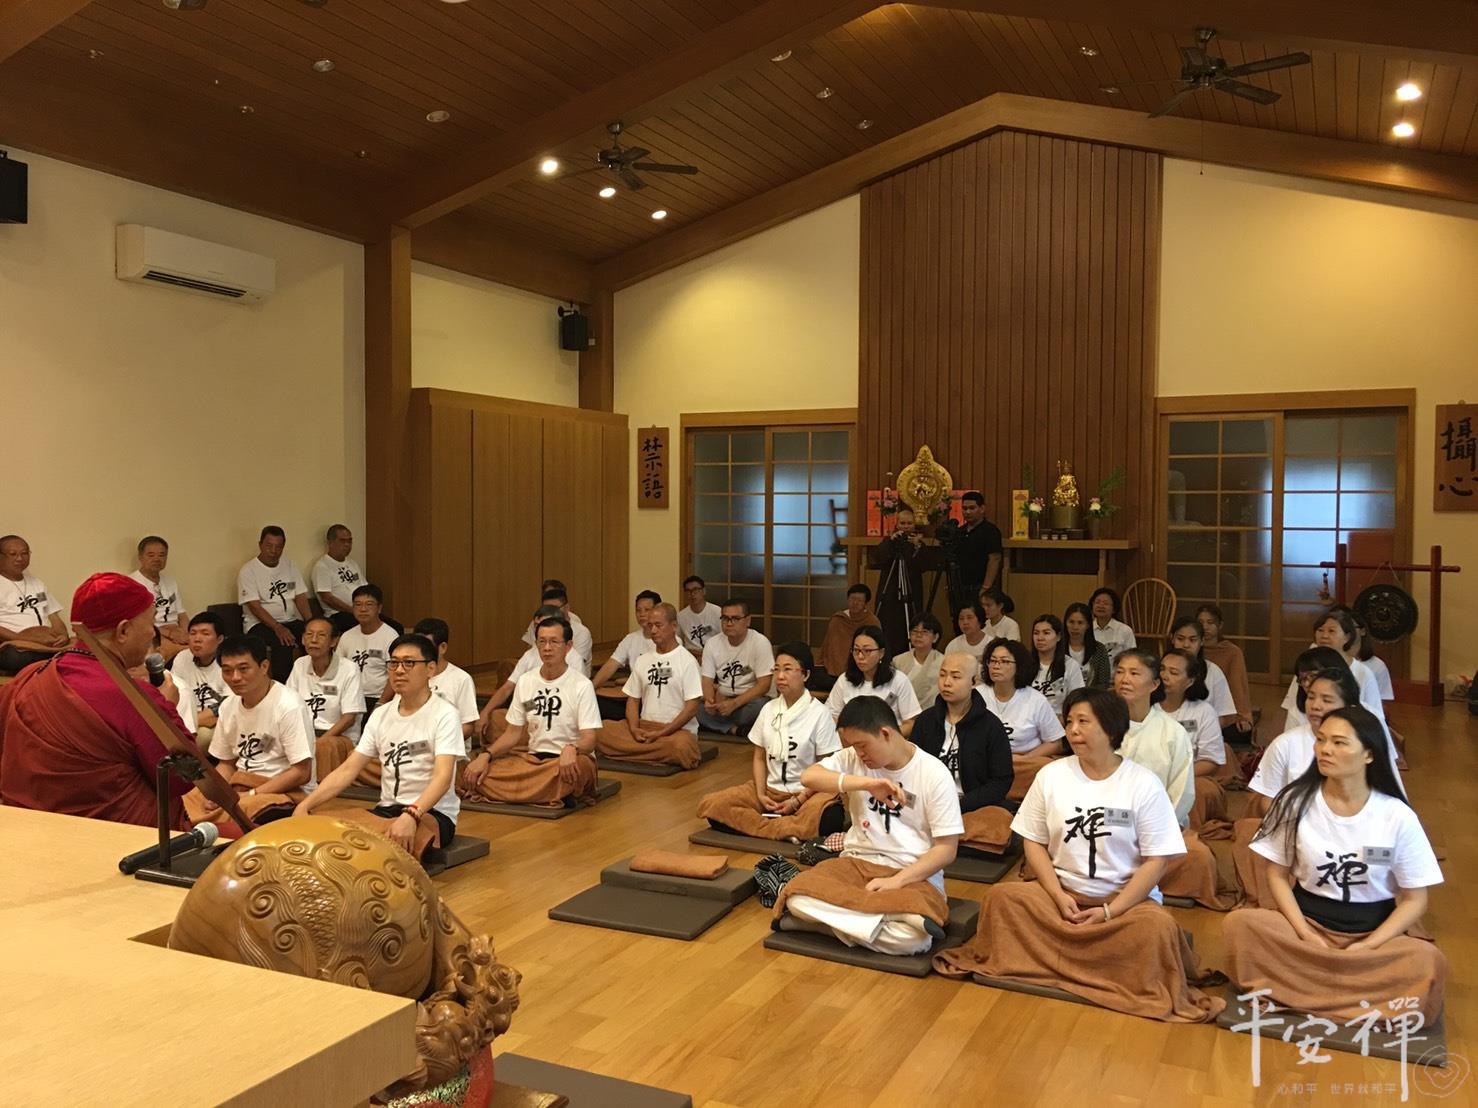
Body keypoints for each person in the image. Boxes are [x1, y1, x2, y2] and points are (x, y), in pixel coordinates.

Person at [934, 688, 1225, 1023]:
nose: (1072, 730)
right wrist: (1058, 896)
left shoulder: (1143, 784)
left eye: (1083, 722)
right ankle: (1094, 964)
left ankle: (1057, 959)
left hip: (1123, 904)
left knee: (1156, 928)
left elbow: (1157, 860)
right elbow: (1033, 842)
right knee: (1001, 900)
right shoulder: (1052, 775)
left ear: (1111, 729)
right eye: (1069, 721)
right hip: (1060, 897)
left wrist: (1110, 910)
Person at [1224, 706, 1446, 1024]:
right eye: (1321, 740)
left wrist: (1369, 946)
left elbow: (1415, 899)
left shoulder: (1397, 816)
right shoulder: (1294, 801)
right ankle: (1355, 1001)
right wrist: (1304, 932)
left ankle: (1301, 993)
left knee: (1426, 960)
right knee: (1240, 925)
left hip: (1372, 938)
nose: (1325, 749)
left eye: (1339, 742)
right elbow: (1276, 874)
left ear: (1369, 754)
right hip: (1305, 931)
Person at [771, 696, 963, 955]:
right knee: (796, 897)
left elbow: (947, 850)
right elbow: (809, 777)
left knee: (915, 940)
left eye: (862, 745)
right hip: (856, 862)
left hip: (911, 873)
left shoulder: (934, 773)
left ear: (885, 733)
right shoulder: (854, 759)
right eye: (853, 746)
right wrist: (867, 784)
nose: (859, 753)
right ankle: (891, 917)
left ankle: (822, 925)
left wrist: (897, 881)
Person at [0, 573, 193, 828]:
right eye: (151, 623)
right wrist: (165, 707)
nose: (152, 634)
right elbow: (182, 777)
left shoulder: (28, 677)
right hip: (113, 839)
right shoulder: (133, 697)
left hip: (27, 832)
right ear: (123, 631)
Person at [298, 633, 463, 860]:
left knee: (381, 841)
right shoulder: (381, 714)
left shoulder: (445, 714)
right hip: (387, 810)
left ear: (430, 669)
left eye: (409, 663)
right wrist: (305, 805)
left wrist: (412, 815)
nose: (399, 670)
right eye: (394, 663)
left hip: (430, 813)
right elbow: (348, 770)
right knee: (326, 826)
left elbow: (442, 778)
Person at [1236, 663, 1361, 908]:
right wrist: (1296, 824)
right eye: (1311, 697)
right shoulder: (1285, 743)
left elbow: (1385, 798)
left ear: (1349, 706)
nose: (1315, 705)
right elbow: (1266, 799)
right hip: (1293, 827)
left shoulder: (1365, 743)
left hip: (1351, 829)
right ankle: (1277, 906)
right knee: (1249, 834)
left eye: (1327, 700)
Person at [1116, 648, 1231, 909]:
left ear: (1154, 684)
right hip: (1107, 823)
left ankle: (1116, 878)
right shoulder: (1101, 723)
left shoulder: (1172, 732)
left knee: (1199, 858)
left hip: (1155, 828)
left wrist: (1150, 830)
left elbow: (1181, 793)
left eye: (1134, 673)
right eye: (1120, 672)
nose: (1124, 679)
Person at [697, 642, 844, 840]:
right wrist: (760, 794)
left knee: (829, 817)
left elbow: (825, 768)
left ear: (806, 675)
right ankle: (786, 830)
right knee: (714, 805)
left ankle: (762, 826)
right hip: (771, 791)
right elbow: (759, 757)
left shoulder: (820, 713)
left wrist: (797, 801)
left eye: (788, 669)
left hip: (807, 794)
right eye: (776, 669)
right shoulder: (768, 709)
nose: (780, 676)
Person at [462, 614, 601, 807]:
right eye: (542, 642)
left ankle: (524, 790)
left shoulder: (582, 685)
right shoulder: (526, 681)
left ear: (568, 646)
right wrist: (486, 755)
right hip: (534, 761)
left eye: (554, 642)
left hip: (569, 760)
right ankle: (545, 792)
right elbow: (512, 734)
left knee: (575, 770)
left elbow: (590, 739)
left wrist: (573, 749)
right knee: (479, 771)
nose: (547, 648)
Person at [186, 635, 314, 827]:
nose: (235, 677)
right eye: (227, 671)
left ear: (264, 667)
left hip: (281, 790)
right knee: (187, 801)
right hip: (240, 783)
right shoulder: (228, 705)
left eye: (243, 669)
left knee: (239, 812)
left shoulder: (289, 705)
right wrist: (216, 793)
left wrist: (251, 794)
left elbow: (301, 772)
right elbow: (226, 764)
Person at [912, 652, 1015, 857]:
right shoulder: (925, 721)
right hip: (929, 804)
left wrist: (959, 805)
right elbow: (911, 767)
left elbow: (1001, 781)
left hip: (971, 806)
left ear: (974, 681)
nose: (946, 682)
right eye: (943, 675)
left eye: (956, 676)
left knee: (998, 826)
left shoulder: (991, 726)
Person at [596, 603, 704, 768]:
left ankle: (635, 752)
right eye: (650, 625)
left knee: (681, 747)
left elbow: (692, 707)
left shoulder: (687, 661)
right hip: (644, 727)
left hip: (675, 731)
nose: (653, 630)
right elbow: (633, 701)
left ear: (673, 626)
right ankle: (650, 753)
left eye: (658, 625)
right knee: (600, 731)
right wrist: (634, 729)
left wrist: (662, 732)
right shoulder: (643, 660)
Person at [475, 604, 588, 739]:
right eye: (536, 625)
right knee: (495, 717)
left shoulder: (574, 659)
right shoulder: (530, 654)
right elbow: (508, 687)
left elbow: (569, 702)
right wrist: (485, 712)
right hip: (530, 708)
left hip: (558, 715)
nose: (539, 629)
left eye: (545, 624)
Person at [979, 637, 1065, 800]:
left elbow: (1055, 741)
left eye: (1004, 661)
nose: (996, 666)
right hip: (985, 760)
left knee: (1046, 767)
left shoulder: (1035, 699)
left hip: (1022, 762)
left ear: (1019, 666)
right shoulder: (976, 695)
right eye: (993, 661)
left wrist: (1026, 758)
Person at [1159, 649, 1228, 833]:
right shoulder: (1144, 706)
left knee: (1197, 791)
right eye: (1162, 669)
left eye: (1173, 672)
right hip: (1148, 775)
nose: (1164, 676)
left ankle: (1187, 839)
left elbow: (1211, 761)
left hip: (1190, 776)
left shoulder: (1203, 711)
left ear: (1189, 681)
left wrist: (1176, 777)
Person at [238, 525, 311, 682]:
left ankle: (311, 681)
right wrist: (278, 627)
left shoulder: (289, 565)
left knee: (314, 636)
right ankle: (283, 686)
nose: (273, 551)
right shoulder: (248, 570)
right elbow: (254, 606)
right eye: (269, 546)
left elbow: (300, 596)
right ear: (260, 545)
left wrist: (311, 622)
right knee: (283, 642)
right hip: (259, 624)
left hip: (290, 620)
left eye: (278, 547)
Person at [827, 626, 922, 737]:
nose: (860, 656)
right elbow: (831, 715)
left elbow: (911, 723)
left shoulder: (898, 680)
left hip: (887, 742)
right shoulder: (844, 680)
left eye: (867, 651)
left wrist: (883, 739)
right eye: (856, 650)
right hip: (850, 741)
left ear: (881, 653)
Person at [868, 507, 939, 656]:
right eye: (902, 523)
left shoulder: (917, 543)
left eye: (909, 523)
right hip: (890, 591)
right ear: (897, 524)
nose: (906, 527)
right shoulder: (890, 541)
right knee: (887, 624)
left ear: (914, 525)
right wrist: (890, 542)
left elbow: (926, 565)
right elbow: (878, 559)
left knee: (911, 621)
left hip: (911, 590)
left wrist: (918, 546)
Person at [697, 598, 774, 735]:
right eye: (725, 618)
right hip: (723, 700)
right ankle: (734, 729)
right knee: (694, 708)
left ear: (748, 621)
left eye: (735, 619)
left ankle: (721, 725)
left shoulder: (760, 642)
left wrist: (735, 703)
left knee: (762, 706)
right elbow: (707, 680)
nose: (729, 623)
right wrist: (710, 701)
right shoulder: (712, 644)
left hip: (749, 700)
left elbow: (764, 685)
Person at [286, 616, 363, 742]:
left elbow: (349, 718)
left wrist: (319, 743)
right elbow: (289, 704)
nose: (314, 640)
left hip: (337, 737)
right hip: (304, 734)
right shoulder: (300, 664)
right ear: (303, 639)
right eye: (309, 634)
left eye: (321, 635)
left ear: (334, 641)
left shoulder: (349, 669)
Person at [0, 534, 69, 674]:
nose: (20, 558)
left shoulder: (36, 584)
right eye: (13, 554)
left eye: (24, 553)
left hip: (45, 642)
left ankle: (51, 661)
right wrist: (22, 638)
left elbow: (53, 615)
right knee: (15, 657)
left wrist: (63, 635)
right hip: (15, 646)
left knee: (80, 649)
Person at [590, 590, 661, 711]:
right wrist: (590, 688)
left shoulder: (670, 639)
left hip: (657, 698)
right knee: (596, 702)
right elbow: (610, 665)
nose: (642, 614)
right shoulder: (631, 638)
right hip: (634, 697)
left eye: (647, 610)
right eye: (638, 610)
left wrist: (632, 680)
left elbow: (667, 673)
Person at [1166, 617, 1240, 730]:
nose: (1186, 645)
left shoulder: (1213, 671)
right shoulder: (1159, 671)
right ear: (1172, 639)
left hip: (1201, 733)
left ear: (1202, 641)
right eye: (1180, 639)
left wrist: (1191, 728)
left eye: (1192, 640)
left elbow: (1225, 717)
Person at [1195, 603, 1254, 739]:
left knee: (1239, 732)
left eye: (1210, 622)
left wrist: (1242, 715)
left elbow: (1238, 686)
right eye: (1201, 622)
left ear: (1220, 625)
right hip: (1195, 710)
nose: (1205, 627)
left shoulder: (1232, 652)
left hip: (1223, 710)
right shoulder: (1191, 649)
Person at [170, 611, 229, 746]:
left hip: (219, 722)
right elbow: (173, 696)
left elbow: (227, 706)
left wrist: (185, 721)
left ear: (220, 639)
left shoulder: (228, 661)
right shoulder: (182, 658)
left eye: (205, 634)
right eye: (193, 633)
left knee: (202, 736)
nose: (197, 639)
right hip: (186, 720)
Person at [416, 617, 479, 743]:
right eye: (417, 645)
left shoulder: (461, 679)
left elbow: (468, 726)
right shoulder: (411, 674)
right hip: (414, 747)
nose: (420, 651)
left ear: (443, 647)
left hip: (448, 747)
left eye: (427, 646)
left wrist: (437, 744)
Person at [811, 583, 881, 692]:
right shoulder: (838, 619)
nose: (855, 603)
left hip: (860, 670)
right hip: (832, 670)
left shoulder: (872, 621)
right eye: (852, 599)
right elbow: (828, 644)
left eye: (859, 600)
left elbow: (876, 647)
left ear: (866, 603)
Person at [129, 535, 188, 661]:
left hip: (175, 630)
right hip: (152, 633)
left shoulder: (170, 581)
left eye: (162, 555)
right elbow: (136, 622)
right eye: (151, 555)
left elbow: (182, 614)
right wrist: (169, 634)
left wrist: (186, 632)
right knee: (174, 652)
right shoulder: (132, 583)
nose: (157, 559)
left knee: (204, 646)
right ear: (140, 557)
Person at [337, 584, 398, 705]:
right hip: (350, 697)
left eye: (369, 604)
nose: (363, 609)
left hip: (377, 697)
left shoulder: (390, 636)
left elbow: (394, 674)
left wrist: (381, 703)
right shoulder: (347, 636)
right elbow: (338, 669)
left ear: (379, 608)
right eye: (358, 604)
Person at [520, 583, 593, 666]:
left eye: (555, 608)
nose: (550, 612)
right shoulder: (539, 625)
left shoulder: (581, 632)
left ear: (567, 608)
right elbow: (530, 652)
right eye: (546, 608)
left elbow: (576, 665)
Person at [312, 524, 365, 635]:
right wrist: (353, 610)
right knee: (367, 627)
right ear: (330, 543)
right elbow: (327, 598)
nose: (347, 545)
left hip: (360, 610)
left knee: (393, 626)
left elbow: (365, 588)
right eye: (342, 541)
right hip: (338, 614)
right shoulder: (322, 566)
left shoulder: (352, 563)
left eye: (349, 541)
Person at [1030, 614, 1085, 716]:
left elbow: (1078, 700)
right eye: (1036, 633)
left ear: (1058, 636)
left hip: (1058, 719)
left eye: (1046, 633)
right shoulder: (1024, 662)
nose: (1040, 638)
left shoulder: (1070, 665)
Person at [956, 491, 1003, 600]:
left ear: (982, 509)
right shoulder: (959, 531)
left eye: (972, 508)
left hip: (980, 586)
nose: (967, 512)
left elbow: (994, 559)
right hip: (960, 586)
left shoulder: (990, 531)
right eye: (964, 508)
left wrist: (986, 587)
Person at [894, 614, 944, 712]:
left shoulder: (943, 662)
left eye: (925, 632)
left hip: (933, 713)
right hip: (903, 712)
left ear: (935, 637)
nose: (918, 635)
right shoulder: (898, 661)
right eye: (915, 631)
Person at [1063, 602, 1112, 689]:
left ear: (1088, 625)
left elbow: (1104, 683)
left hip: (1092, 695)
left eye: (1080, 623)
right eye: (1071, 622)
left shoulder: (1099, 649)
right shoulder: (1057, 648)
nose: (1075, 627)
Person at [676, 575, 722, 660]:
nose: (692, 594)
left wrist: (706, 654)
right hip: (691, 656)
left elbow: (724, 638)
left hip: (714, 655)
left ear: (703, 591)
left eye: (696, 590)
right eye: (688, 591)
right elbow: (678, 641)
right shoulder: (681, 616)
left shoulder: (717, 612)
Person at [1088, 587, 1136, 663]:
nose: (1101, 606)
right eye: (1097, 602)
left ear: (1114, 609)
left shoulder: (1125, 630)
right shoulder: (1086, 629)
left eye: (1106, 603)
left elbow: (1132, 657)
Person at [945, 601, 990, 665]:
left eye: (970, 618)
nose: (965, 622)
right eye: (961, 618)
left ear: (980, 620)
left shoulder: (991, 644)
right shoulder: (953, 646)